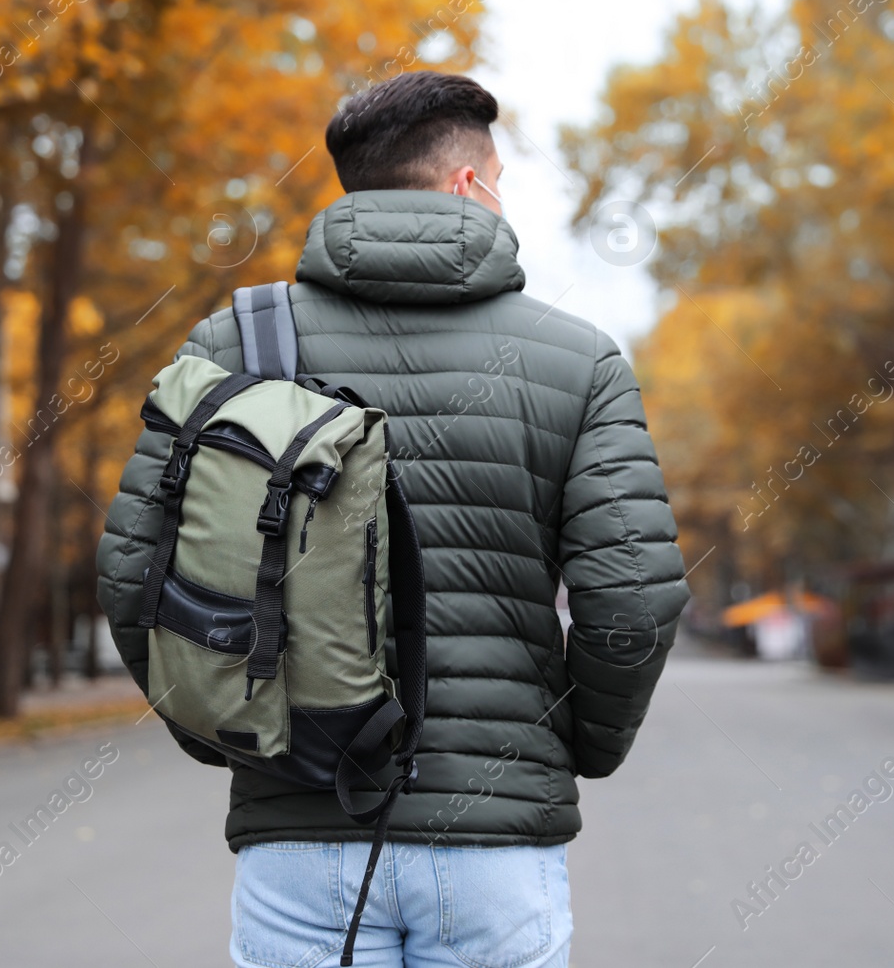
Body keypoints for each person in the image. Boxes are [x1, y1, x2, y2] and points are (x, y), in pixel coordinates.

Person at [120, 70, 689, 967]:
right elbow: (633, 602)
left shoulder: (231, 345)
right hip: (498, 843)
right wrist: (577, 744)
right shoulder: (582, 361)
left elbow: (134, 575)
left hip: (298, 827)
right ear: (468, 186)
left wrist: (234, 723)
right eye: (500, 178)